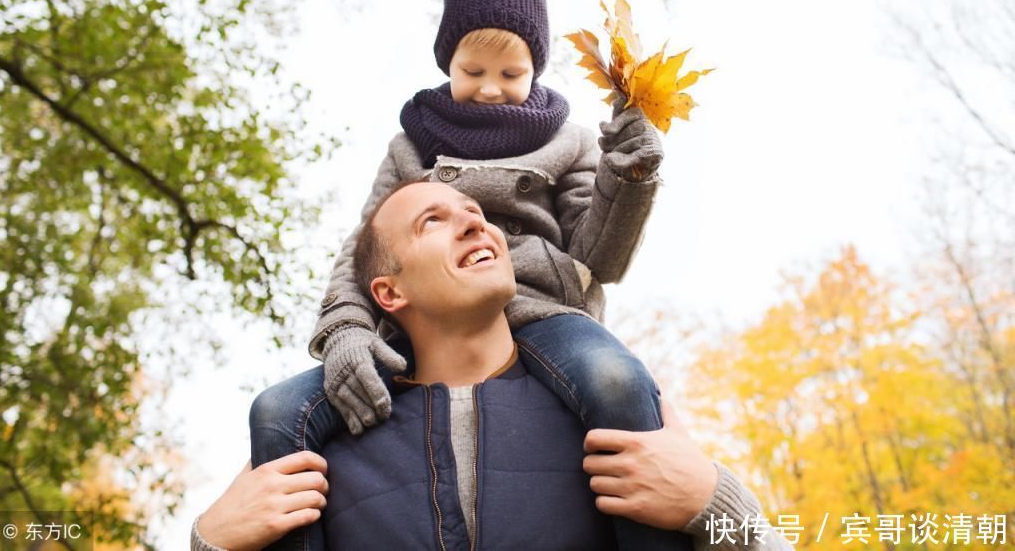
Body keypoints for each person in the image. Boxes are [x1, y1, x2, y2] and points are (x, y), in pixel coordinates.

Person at [250, 0, 672, 550]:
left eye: (512, 72)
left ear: (536, 70)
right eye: (472, 70)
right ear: (447, 61)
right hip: (424, 318)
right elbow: (366, 248)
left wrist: (628, 178)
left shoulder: (568, 140)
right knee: (276, 411)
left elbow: (601, 255)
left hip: (544, 311)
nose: (491, 87)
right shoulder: (413, 144)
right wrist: (346, 329)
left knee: (616, 378)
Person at [192, 181, 793, 550]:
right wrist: (208, 545)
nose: (475, 221)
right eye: (434, 221)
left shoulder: (617, 418)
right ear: (389, 293)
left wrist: (721, 508)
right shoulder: (318, 455)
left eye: (474, 212)